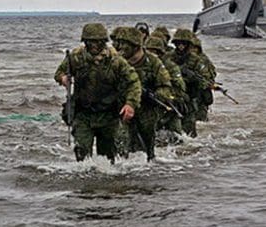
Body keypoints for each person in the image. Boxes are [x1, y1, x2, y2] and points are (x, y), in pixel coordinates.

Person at [54, 23, 141, 162]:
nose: (94, 45)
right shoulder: (76, 57)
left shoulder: (116, 60)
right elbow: (59, 72)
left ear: (104, 42)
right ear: (85, 41)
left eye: (98, 42)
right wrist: (63, 78)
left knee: (107, 158)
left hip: (108, 114)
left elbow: (133, 82)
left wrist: (130, 104)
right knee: (81, 154)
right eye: (90, 42)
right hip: (83, 113)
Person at [110, 26, 172, 161]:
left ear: (135, 46)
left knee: (147, 149)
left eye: (124, 44)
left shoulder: (153, 62)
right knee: (121, 143)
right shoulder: (116, 62)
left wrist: (153, 96)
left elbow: (165, 87)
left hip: (146, 110)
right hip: (123, 109)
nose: (120, 47)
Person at [166, 29, 214, 137]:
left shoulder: (196, 60)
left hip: (190, 100)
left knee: (190, 134)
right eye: (178, 43)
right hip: (172, 99)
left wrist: (193, 78)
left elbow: (206, 79)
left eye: (184, 43)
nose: (181, 46)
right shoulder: (167, 58)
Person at [146, 36, 187, 141]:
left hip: (170, 107)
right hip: (150, 107)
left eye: (154, 51)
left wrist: (164, 94)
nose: (151, 55)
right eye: (148, 51)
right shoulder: (143, 66)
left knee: (177, 139)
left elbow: (180, 88)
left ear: (160, 53)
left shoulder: (170, 67)